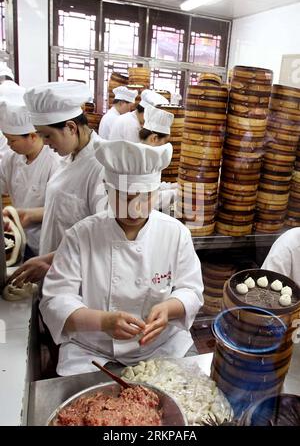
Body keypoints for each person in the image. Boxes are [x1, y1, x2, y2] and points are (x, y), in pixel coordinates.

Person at [39, 140, 204, 376]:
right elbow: (55, 301)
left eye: (146, 197)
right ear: (107, 190)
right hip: (91, 353)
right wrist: (103, 322)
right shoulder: (81, 235)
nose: (135, 208)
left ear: (157, 193)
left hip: (162, 348)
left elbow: (191, 290)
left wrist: (169, 308)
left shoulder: (175, 233)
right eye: (125, 198)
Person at [8, 81, 107, 285]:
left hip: (78, 278)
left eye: (47, 135)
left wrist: (49, 261)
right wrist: (28, 215)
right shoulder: (68, 157)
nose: (44, 142)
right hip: (55, 268)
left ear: (71, 128)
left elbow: (104, 236)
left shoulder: (101, 166)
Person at [0, 97, 60, 259]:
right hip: (19, 236)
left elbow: (63, 209)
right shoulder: (11, 159)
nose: (9, 144)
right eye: (6, 139)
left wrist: (31, 215)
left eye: (12, 140)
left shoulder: (55, 161)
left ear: (33, 136)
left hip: (45, 240)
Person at [139, 105, 177, 213]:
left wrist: (171, 186)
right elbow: (144, 200)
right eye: (164, 142)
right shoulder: (138, 160)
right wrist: (175, 193)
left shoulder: (149, 156)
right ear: (154, 138)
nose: (165, 146)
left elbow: (152, 185)